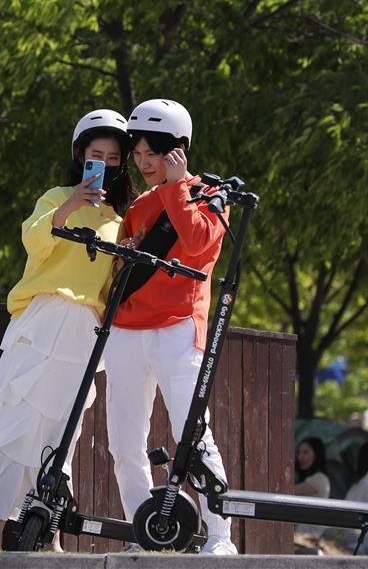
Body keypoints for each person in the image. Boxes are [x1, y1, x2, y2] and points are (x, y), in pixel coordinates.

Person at [0, 109, 135, 551]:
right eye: (96, 155)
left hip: (85, 330)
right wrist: (71, 205)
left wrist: (127, 255)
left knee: (64, 432)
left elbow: (113, 285)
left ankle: (51, 533)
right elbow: (34, 242)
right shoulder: (57, 197)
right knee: (18, 423)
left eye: (113, 158)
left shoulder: (121, 218)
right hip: (44, 319)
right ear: (80, 155)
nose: (104, 164)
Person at [102, 99, 236, 555]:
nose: (143, 164)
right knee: (124, 442)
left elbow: (198, 244)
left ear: (178, 150)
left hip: (178, 329)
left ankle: (221, 537)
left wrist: (178, 186)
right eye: (138, 155)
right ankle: (141, 534)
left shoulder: (209, 194)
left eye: (153, 155)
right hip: (126, 331)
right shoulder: (139, 205)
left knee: (193, 435)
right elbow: (120, 272)